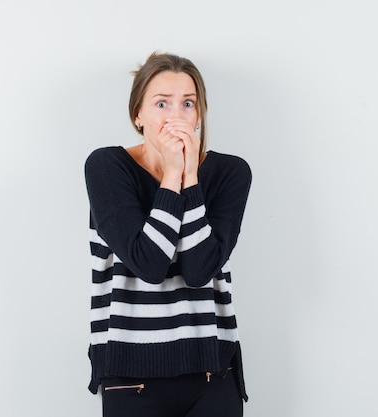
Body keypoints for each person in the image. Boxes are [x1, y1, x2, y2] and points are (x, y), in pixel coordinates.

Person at [84, 51, 252, 417]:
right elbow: (149, 263)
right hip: (131, 373)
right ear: (138, 116)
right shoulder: (107, 167)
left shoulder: (230, 173)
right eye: (162, 103)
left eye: (187, 104)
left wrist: (190, 178)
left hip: (212, 369)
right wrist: (172, 176)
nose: (176, 115)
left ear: (199, 115)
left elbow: (197, 270)